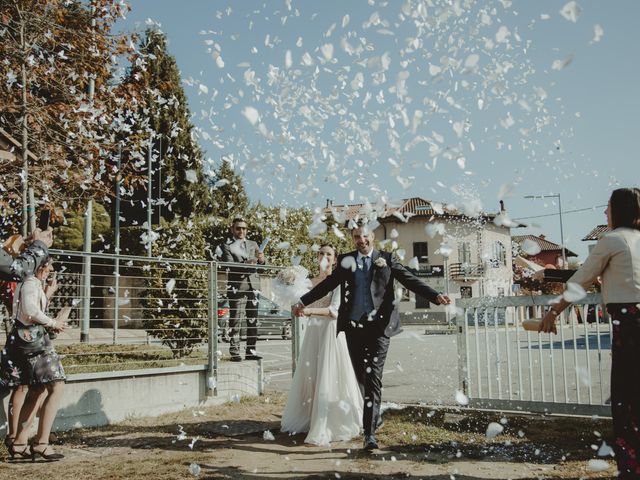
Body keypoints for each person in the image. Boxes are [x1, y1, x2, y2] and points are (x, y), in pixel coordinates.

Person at [293, 221, 451, 450]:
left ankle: (369, 434)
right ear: (353, 239)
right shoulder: (347, 260)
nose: (361, 240)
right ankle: (372, 416)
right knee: (360, 377)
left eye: (364, 236)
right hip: (353, 328)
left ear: (372, 237)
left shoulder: (386, 259)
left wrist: (435, 296)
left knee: (373, 377)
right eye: (357, 237)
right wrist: (302, 300)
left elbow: (409, 279)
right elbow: (328, 284)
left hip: (379, 328)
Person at [539, 187, 640, 479]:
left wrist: (553, 311)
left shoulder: (612, 239)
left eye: (607, 207)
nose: (604, 212)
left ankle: (632, 469)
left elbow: (580, 280)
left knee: (626, 399)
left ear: (618, 210)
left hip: (630, 325)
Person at [281, 244, 363, 446]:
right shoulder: (308, 282)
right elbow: (296, 303)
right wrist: (288, 285)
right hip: (313, 333)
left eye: (329, 254)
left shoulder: (337, 282)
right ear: (317, 257)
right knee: (311, 376)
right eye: (321, 253)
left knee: (330, 376)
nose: (324, 256)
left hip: (331, 332)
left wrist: (307, 312)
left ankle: (329, 420)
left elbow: (334, 311)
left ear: (335, 260)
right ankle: (310, 418)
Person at [2, 256, 68, 461]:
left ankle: (21, 442)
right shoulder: (30, 283)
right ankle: (41, 443)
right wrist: (53, 322)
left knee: (37, 388)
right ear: (40, 266)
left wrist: (47, 294)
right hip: (33, 342)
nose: (50, 270)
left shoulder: (29, 283)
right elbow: (30, 311)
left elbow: (29, 309)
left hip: (28, 339)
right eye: (48, 267)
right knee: (56, 385)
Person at [0, 227, 53, 454]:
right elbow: (16, 269)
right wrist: (39, 245)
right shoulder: (30, 283)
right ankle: (21, 440)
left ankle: (16, 439)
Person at [219, 217, 265, 362]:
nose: (241, 231)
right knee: (235, 320)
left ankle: (251, 352)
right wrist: (247, 263)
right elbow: (229, 265)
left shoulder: (253, 244)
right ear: (232, 229)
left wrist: (262, 259)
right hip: (237, 288)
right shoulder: (227, 245)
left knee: (253, 321)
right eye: (238, 228)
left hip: (254, 287)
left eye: (244, 228)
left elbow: (262, 267)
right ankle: (235, 352)